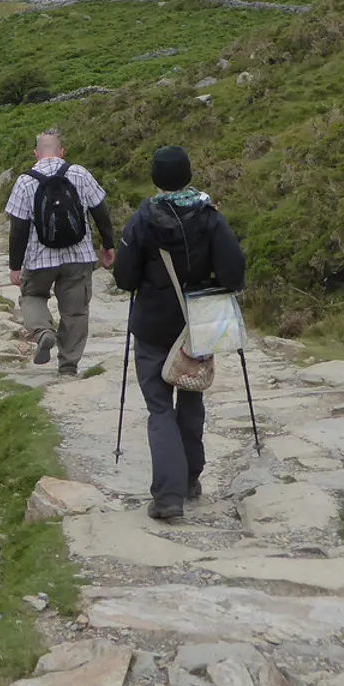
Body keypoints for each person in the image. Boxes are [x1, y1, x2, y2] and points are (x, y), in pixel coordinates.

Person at [113, 146, 245, 522]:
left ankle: (168, 497)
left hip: (154, 324)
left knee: (159, 406)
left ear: (155, 178)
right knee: (191, 396)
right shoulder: (208, 216)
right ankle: (190, 480)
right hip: (197, 324)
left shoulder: (143, 218)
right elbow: (235, 271)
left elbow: (124, 277)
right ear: (188, 174)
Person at [6, 130, 114, 377]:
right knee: (75, 311)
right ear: (62, 151)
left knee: (32, 296)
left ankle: (44, 332)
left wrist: (15, 266)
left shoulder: (25, 181)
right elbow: (101, 212)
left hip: (39, 258)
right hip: (79, 256)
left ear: (36, 154)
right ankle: (68, 366)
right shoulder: (80, 173)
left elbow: (18, 229)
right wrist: (108, 244)